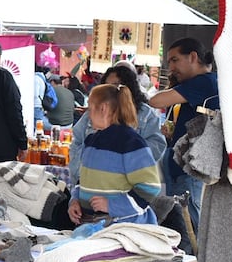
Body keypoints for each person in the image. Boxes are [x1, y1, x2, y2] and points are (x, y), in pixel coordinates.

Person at [148, 38, 218, 233]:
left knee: (187, 228)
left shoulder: (203, 81)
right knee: (178, 223)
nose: (171, 67)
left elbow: (156, 100)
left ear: (193, 57)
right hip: (181, 167)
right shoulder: (201, 84)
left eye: (175, 60)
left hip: (190, 170)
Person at [67, 84, 161, 226]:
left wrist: (112, 206)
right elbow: (84, 179)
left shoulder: (131, 143)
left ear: (103, 108)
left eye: (91, 108)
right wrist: (75, 200)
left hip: (124, 229)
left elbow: (149, 188)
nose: (88, 114)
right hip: (93, 226)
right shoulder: (91, 141)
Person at [69, 64, 166, 183]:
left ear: (128, 88)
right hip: (91, 184)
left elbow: (157, 145)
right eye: (106, 86)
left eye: (115, 86)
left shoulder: (145, 114)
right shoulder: (92, 112)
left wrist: (125, 155)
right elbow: (77, 143)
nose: (110, 91)